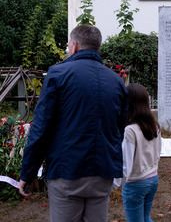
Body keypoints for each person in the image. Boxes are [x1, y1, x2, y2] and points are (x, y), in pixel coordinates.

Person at [19, 25, 128, 222]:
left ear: (75, 46)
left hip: (67, 171)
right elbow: (119, 129)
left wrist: (28, 171)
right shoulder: (117, 81)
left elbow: (41, 128)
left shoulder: (57, 75)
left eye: (69, 45)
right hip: (103, 172)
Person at [114, 83, 162, 222]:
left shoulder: (130, 130)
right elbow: (158, 152)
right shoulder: (155, 125)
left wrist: (115, 184)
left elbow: (125, 163)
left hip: (135, 183)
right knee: (146, 217)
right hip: (153, 179)